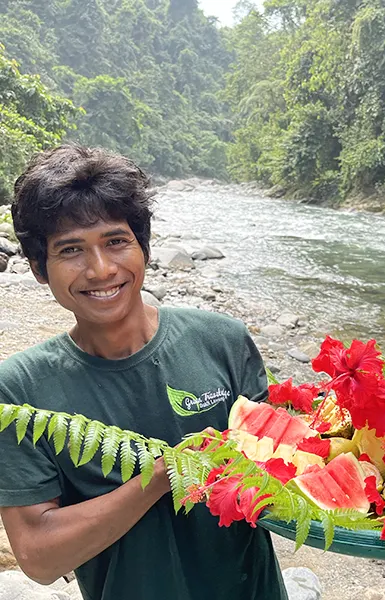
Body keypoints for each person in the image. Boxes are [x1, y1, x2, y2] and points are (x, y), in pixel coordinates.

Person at [0, 145, 288, 600]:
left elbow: (285, 471)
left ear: (144, 248)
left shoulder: (223, 340)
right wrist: (161, 476)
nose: (100, 269)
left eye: (116, 241)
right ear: (39, 268)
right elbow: (38, 556)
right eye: (70, 250)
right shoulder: (19, 390)